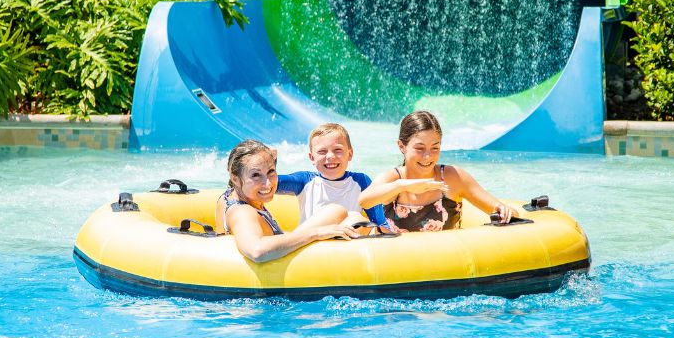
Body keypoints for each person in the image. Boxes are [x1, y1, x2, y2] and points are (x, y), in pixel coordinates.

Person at [359, 110, 520, 232]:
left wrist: (505, 211)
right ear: (402, 146)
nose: (427, 156)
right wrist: (403, 186)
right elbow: (364, 201)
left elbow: (501, 210)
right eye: (419, 148)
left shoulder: (452, 177)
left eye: (435, 148)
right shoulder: (393, 178)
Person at [215, 139, 360, 263]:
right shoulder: (242, 212)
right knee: (355, 221)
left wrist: (266, 157)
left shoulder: (230, 195)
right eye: (255, 175)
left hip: (280, 261)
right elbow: (257, 251)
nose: (268, 184)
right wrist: (316, 233)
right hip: (277, 282)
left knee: (338, 212)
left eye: (271, 171)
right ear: (234, 178)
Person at [277, 123, 388, 230]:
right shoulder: (305, 181)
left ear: (350, 154)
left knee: (355, 218)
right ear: (312, 158)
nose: (330, 156)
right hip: (311, 244)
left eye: (337, 150)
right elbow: (273, 183)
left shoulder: (361, 182)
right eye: (322, 151)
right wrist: (269, 166)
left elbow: (380, 223)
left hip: (344, 245)